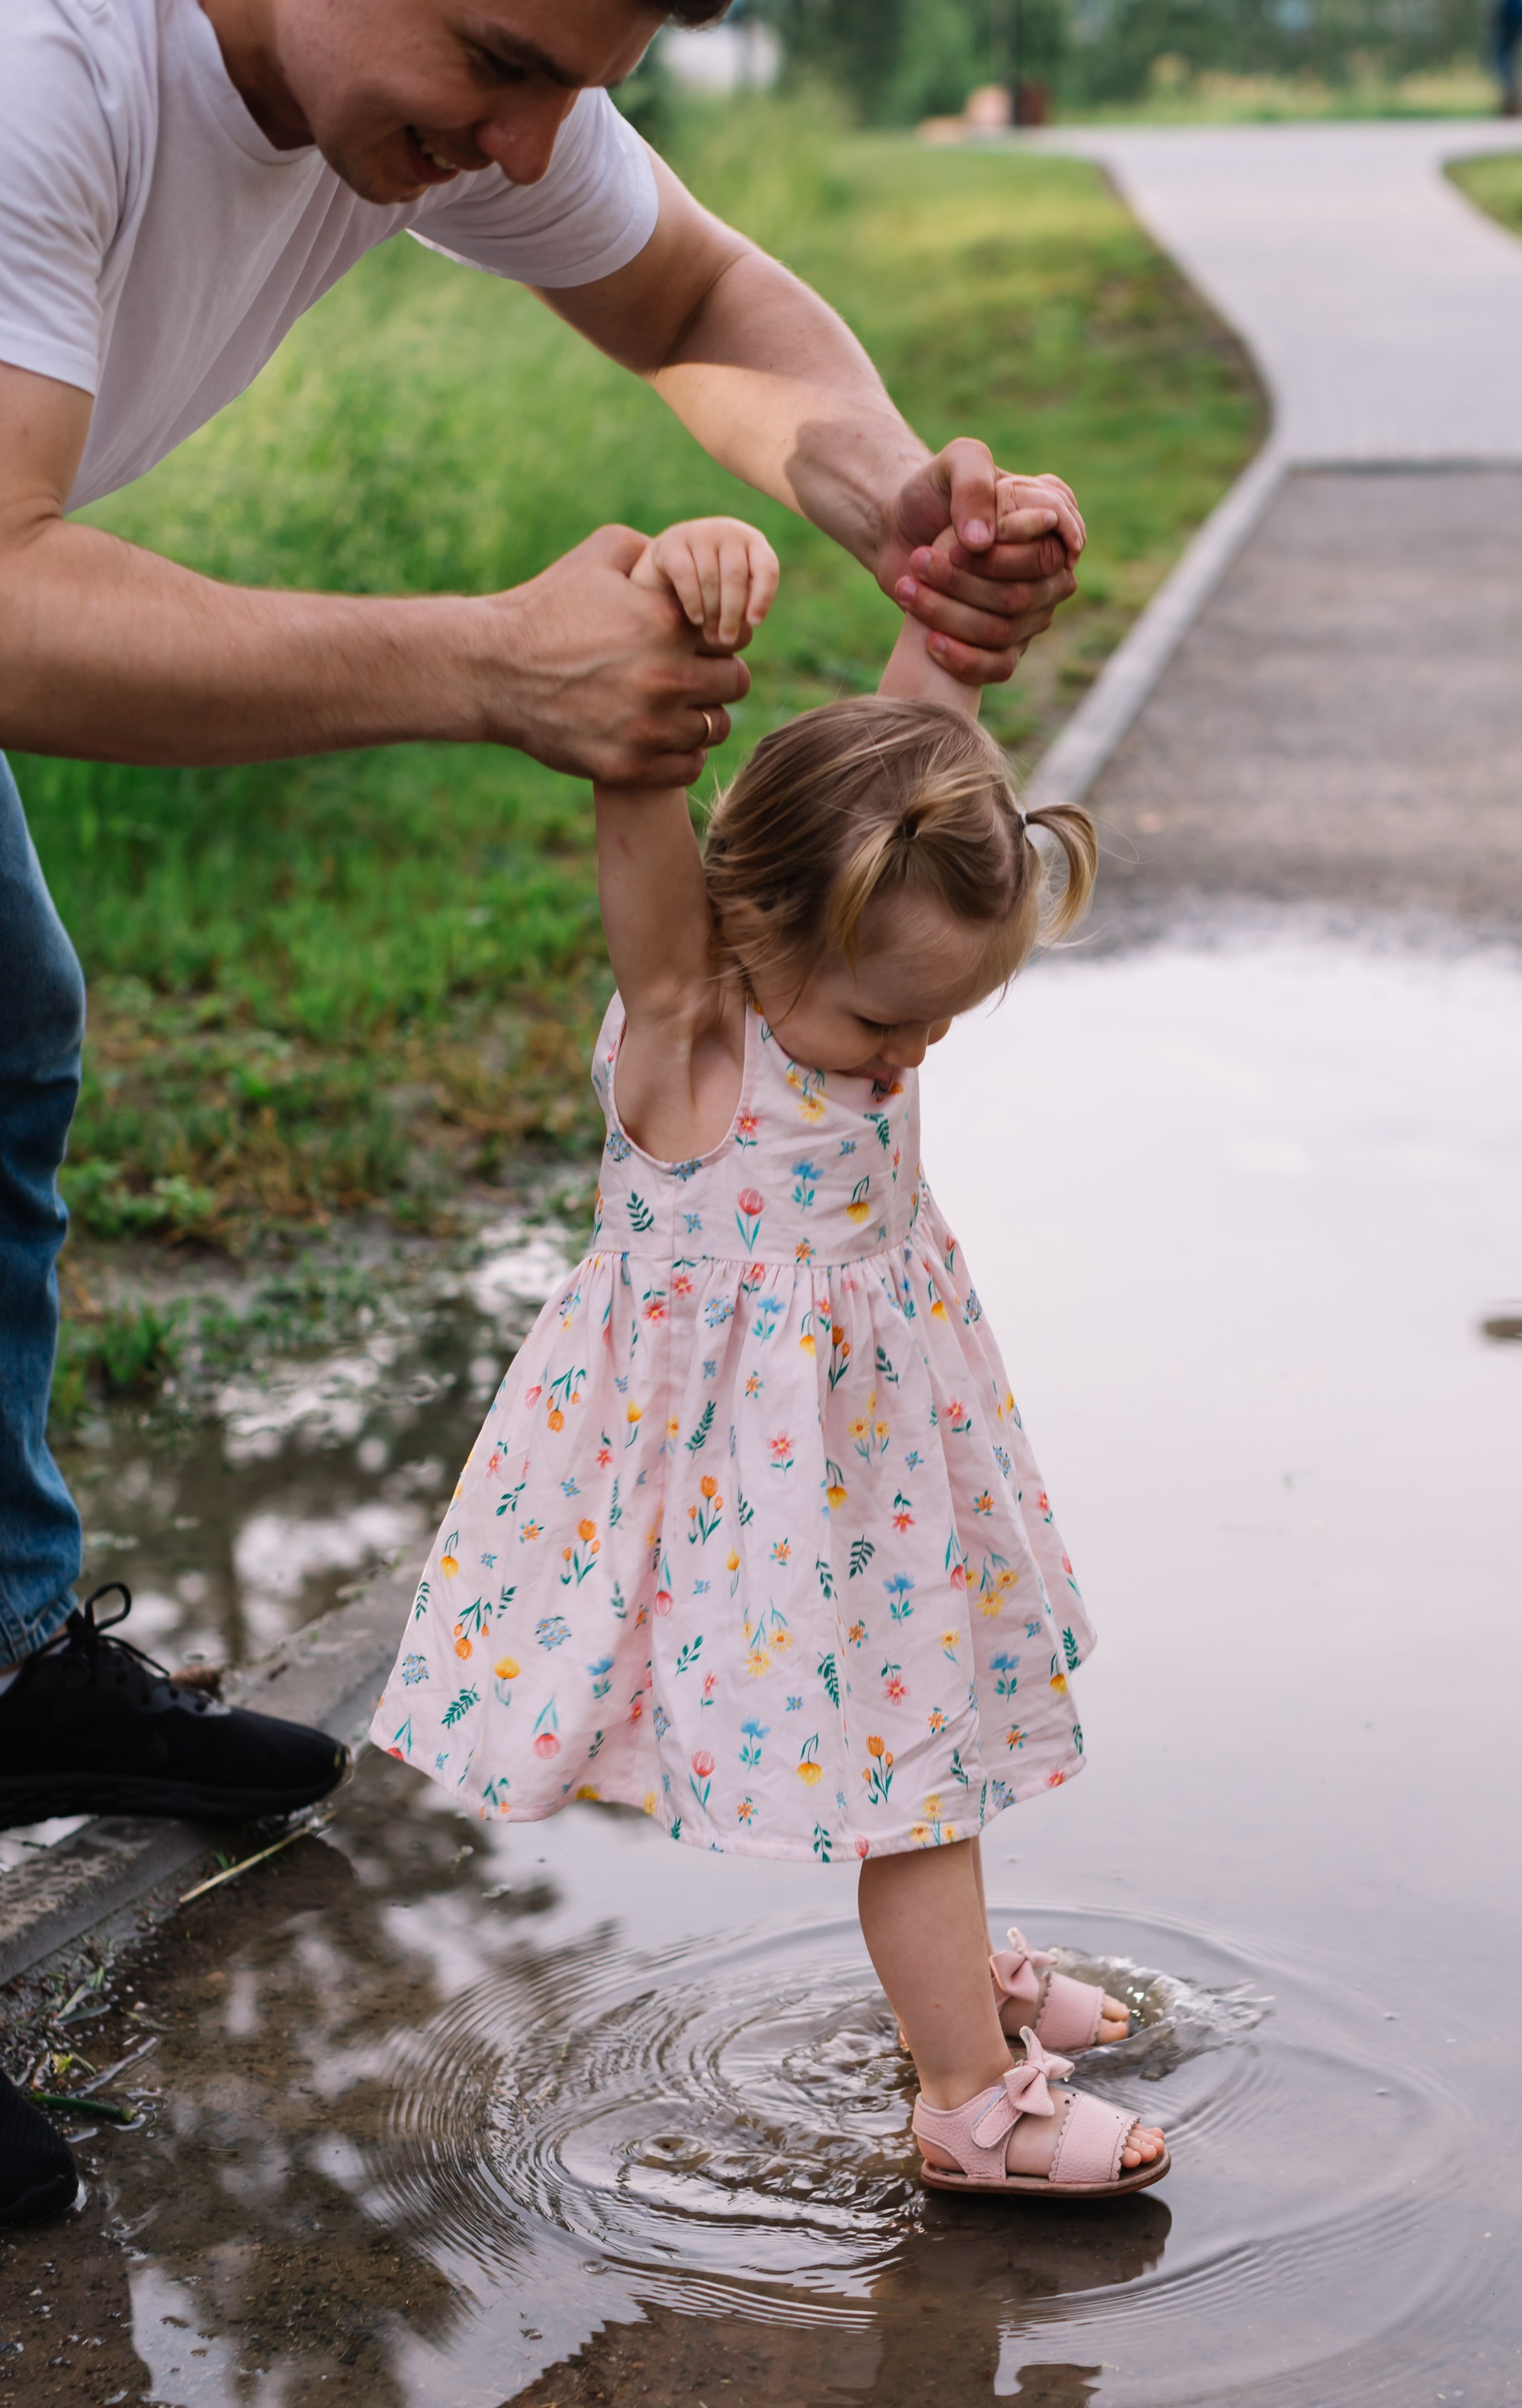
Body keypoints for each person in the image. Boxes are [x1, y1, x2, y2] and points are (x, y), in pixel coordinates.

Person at [0, 0, 1083, 1880]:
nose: (526, 144)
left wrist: (891, 501)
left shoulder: (446, 87)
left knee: (9, 1037)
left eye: (580, 87)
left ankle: (2, 1658)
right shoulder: (45, 72)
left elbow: (694, 308)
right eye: (501, 60)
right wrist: (486, 663)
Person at [371, 508, 1169, 2197]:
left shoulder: (857, 966)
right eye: (889, 1024)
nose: (912, 1056)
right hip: (764, 1500)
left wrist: (962, 598)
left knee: (928, 1748)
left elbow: (918, 736)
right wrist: (658, 648)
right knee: (913, 1776)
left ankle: (944, 1982)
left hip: (878, 1467)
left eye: (945, 1022)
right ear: (754, 934)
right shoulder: (693, 1036)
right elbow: (645, 819)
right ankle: (967, 2097)